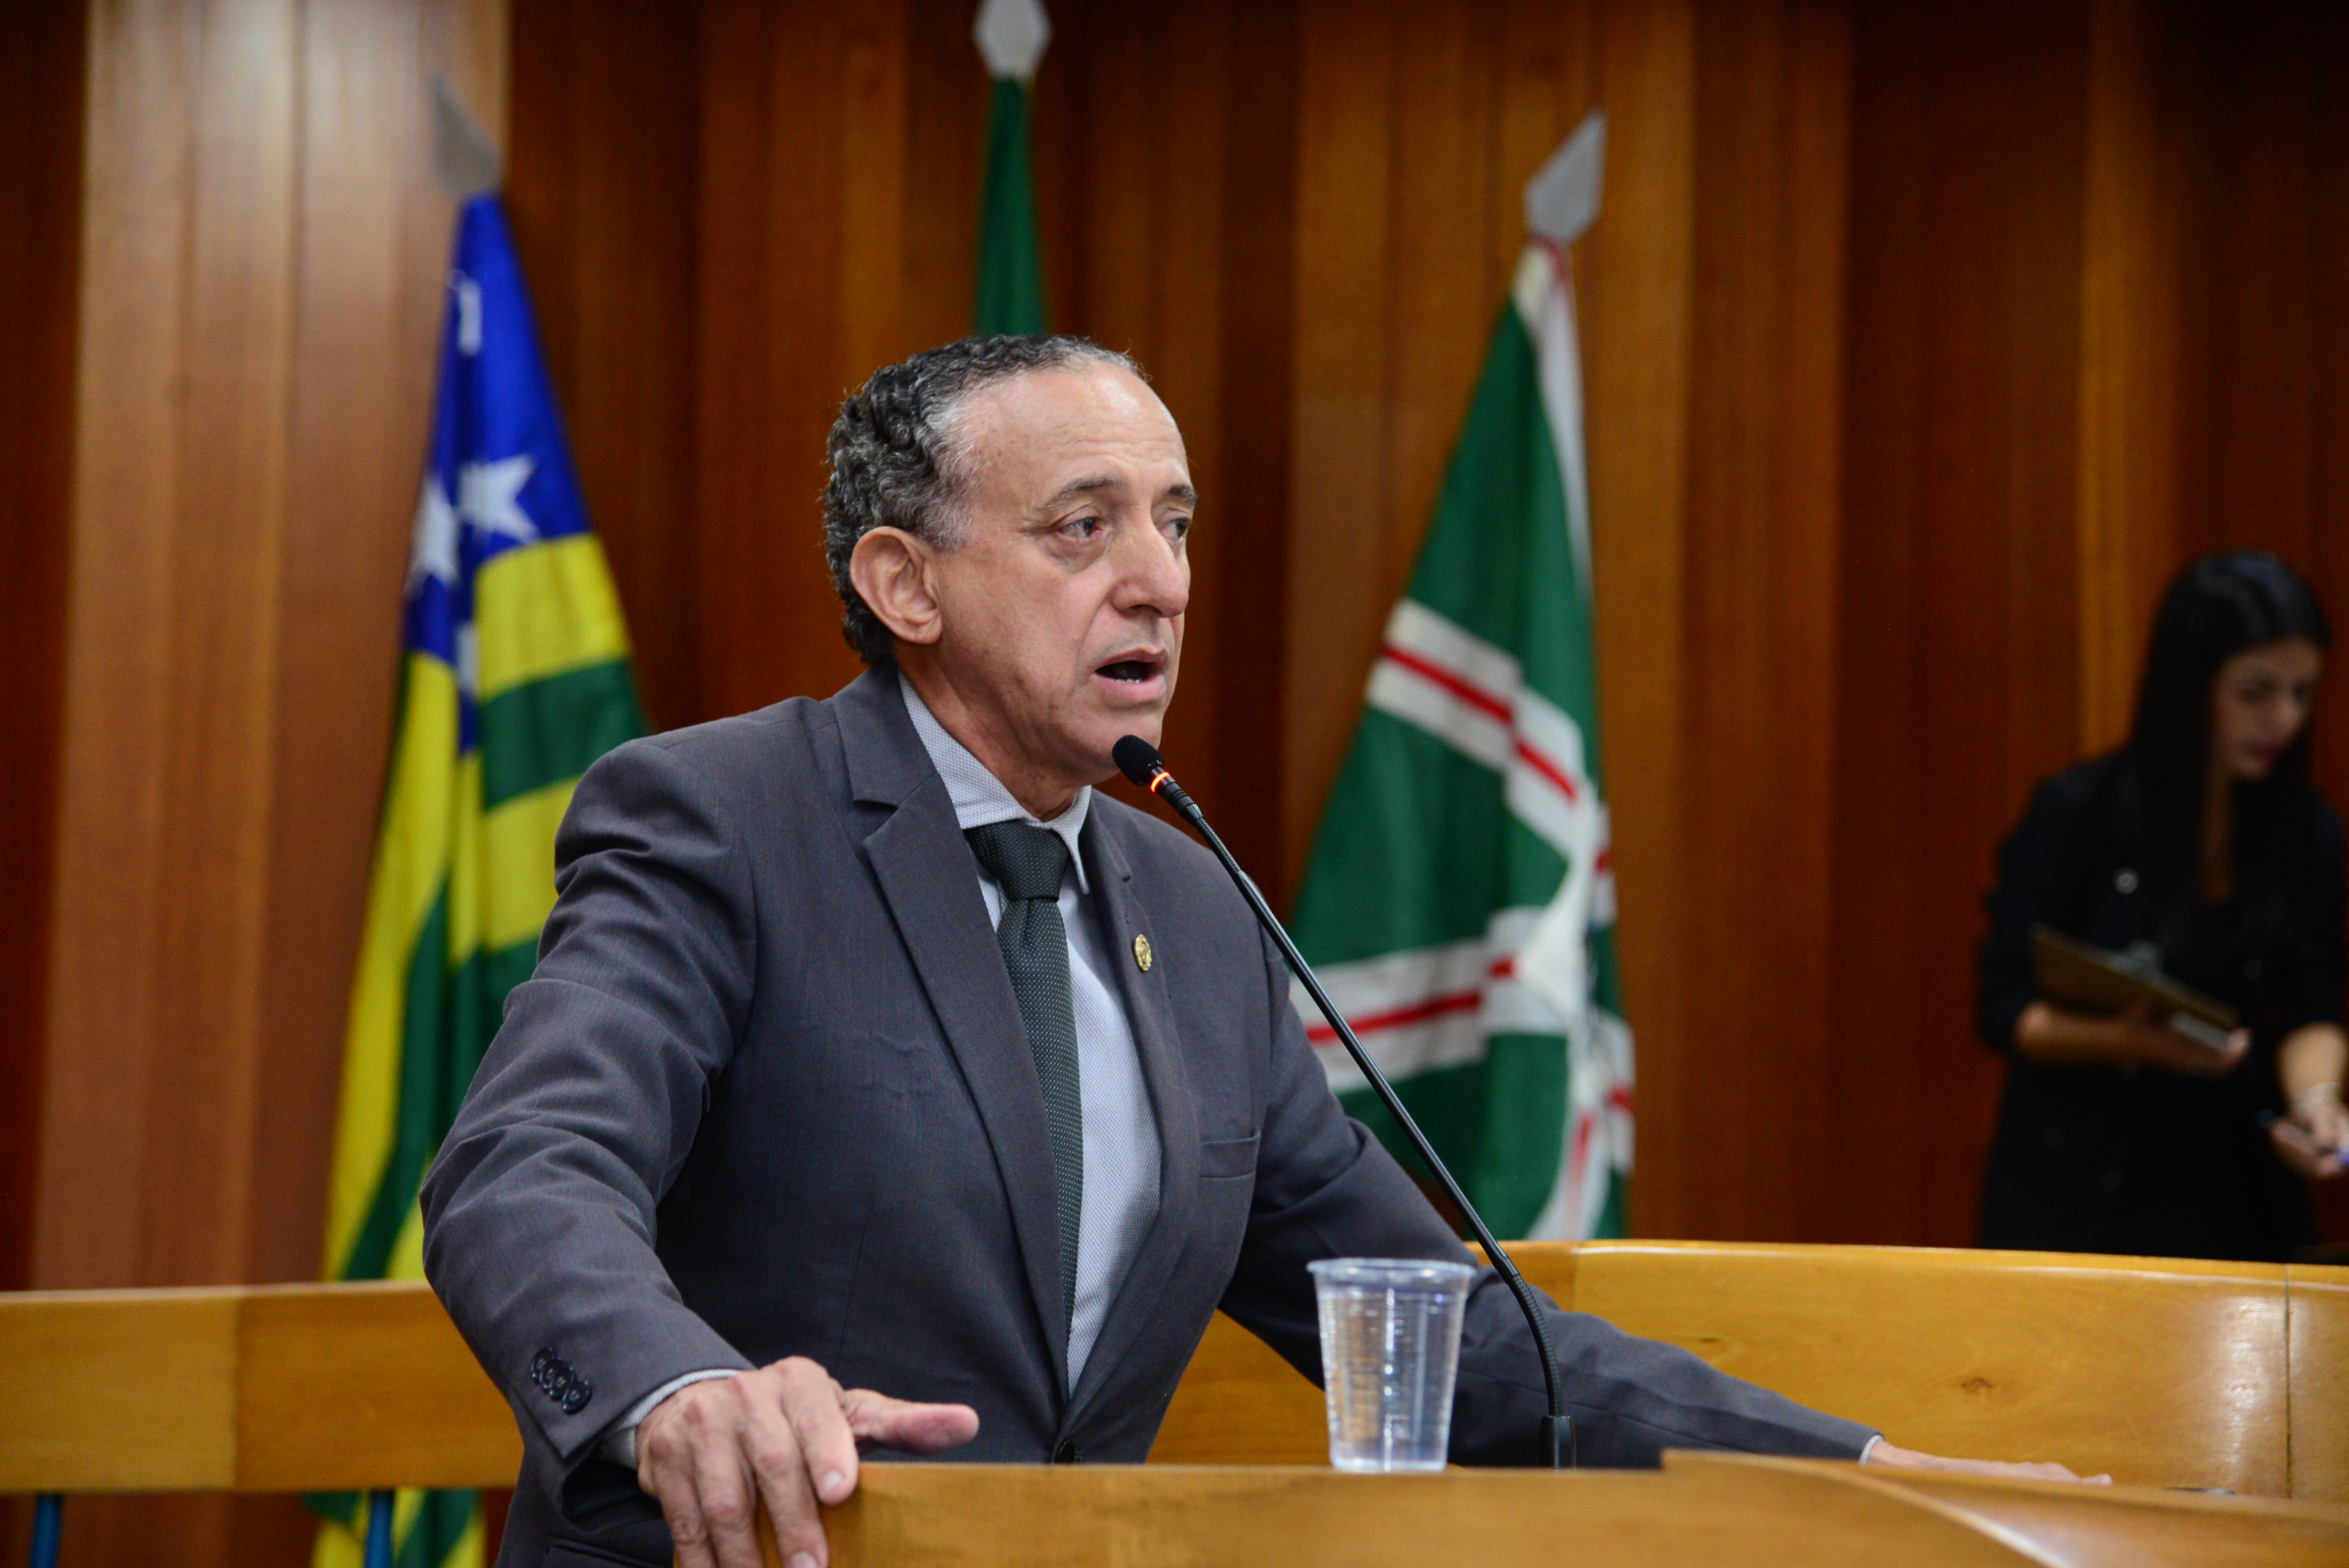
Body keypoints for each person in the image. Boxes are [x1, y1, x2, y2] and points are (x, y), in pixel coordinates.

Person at [424, 335, 2091, 1568]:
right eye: (1081, 527)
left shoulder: (1196, 910)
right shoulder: (723, 817)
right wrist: (675, 1391)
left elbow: (1446, 1324)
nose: (1157, 581)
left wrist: (1857, 1470)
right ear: (903, 583)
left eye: (1173, 522)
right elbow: (524, 1167)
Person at [1978, 550, 2349, 1262]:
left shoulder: (2309, 829)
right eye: (2256, 691)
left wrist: (2317, 1104)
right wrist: (2131, 1040)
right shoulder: (2077, 812)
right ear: (2189, 685)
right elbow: (2005, 1009)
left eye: (2303, 692)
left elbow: (2314, 1002)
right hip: (2083, 1184)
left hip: (2233, 1182)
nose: (2284, 719)